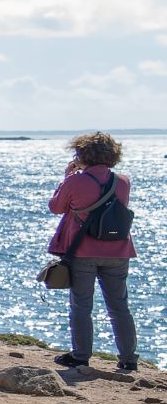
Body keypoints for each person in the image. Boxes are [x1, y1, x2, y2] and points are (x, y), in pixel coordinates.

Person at [48, 132, 138, 372]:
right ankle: (129, 359)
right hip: (119, 251)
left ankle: (81, 356)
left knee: (81, 306)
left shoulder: (75, 180)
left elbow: (56, 207)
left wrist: (67, 177)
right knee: (120, 307)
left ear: (81, 154)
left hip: (83, 250)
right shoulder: (123, 181)